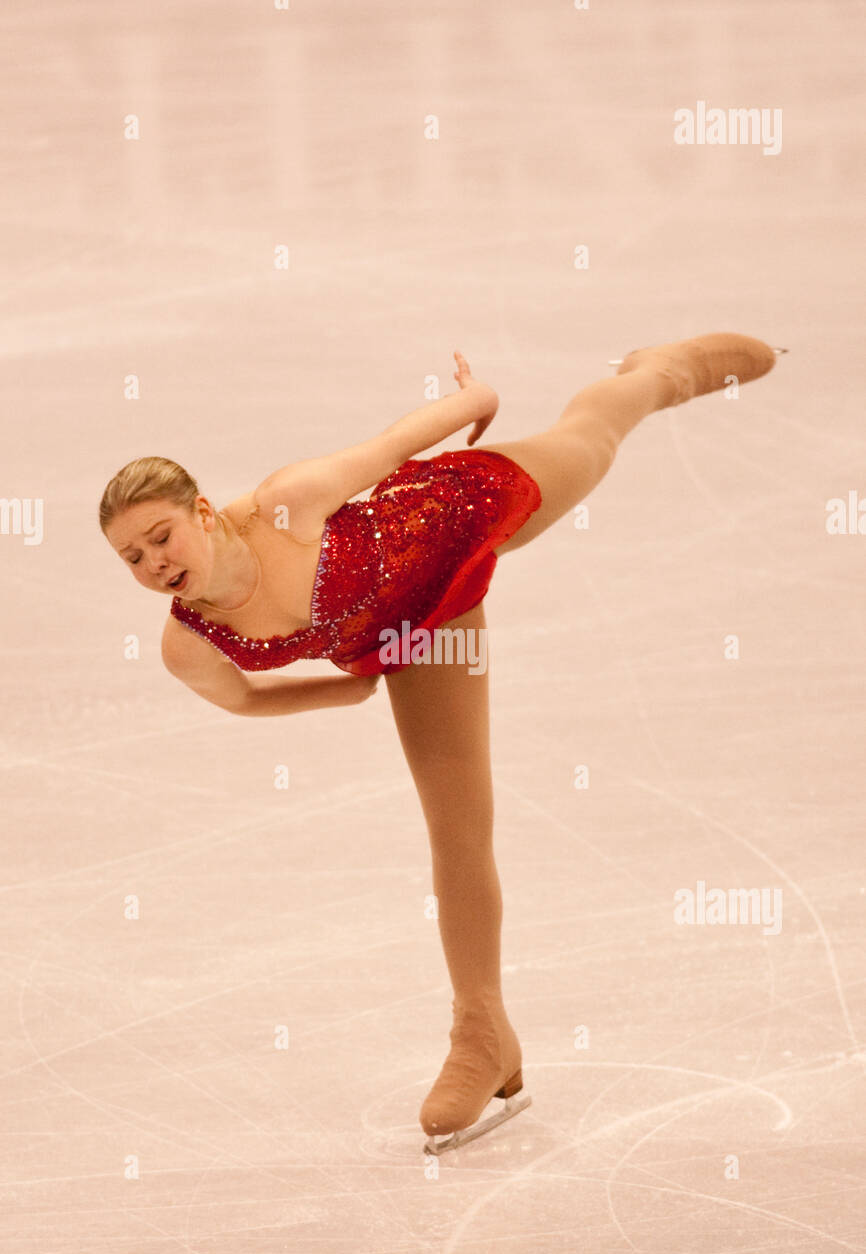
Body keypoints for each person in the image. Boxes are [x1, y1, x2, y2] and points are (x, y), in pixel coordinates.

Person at [100, 333, 783, 1154]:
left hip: (457, 509)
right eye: (132, 557)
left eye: (162, 536)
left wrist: (475, 401)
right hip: (425, 631)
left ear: (202, 511)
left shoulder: (286, 502)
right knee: (458, 827)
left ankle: (653, 375)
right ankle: (482, 1031)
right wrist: (344, 688)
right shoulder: (190, 644)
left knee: (589, 442)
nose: (153, 562)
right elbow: (241, 698)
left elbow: (394, 445)